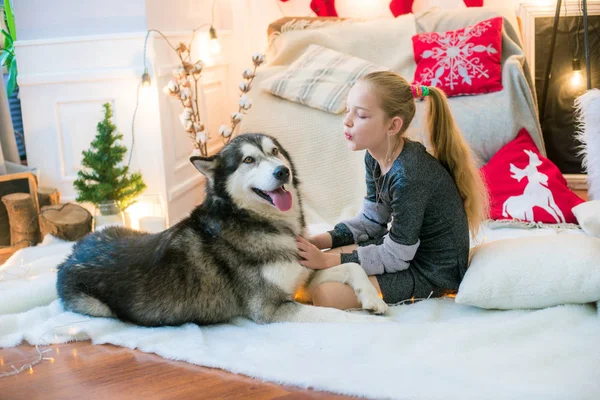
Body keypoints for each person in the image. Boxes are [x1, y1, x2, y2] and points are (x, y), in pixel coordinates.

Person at [296, 71, 489, 309]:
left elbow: (396, 256)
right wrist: (318, 242)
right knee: (311, 270)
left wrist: (326, 259)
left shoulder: (409, 174)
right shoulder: (373, 157)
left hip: (431, 272)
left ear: (393, 125)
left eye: (362, 115)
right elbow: (370, 222)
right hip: (405, 253)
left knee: (323, 295)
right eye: (348, 109)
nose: (347, 121)